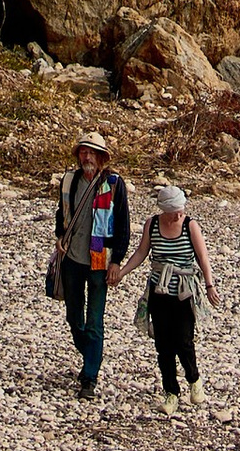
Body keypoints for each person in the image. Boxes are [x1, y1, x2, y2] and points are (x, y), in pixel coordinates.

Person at [118, 172, 216, 416]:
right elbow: (141, 253)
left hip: (183, 292)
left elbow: (203, 258)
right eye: (175, 211)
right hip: (158, 290)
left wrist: (210, 285)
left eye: (181, 209)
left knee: (184, 340)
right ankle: (170, 392)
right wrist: (122, 272)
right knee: (163, 345)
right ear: (165, 210)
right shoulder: (152, 224)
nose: (179, 214)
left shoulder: (190, 225)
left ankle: (194, 380)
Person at [50, 127, 130, 400]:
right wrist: (60, 235)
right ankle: (92, 354)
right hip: (72, 257)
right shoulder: (69, 180)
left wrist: (116, 261)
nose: (86, 157)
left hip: (99, 260)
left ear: (101, 157)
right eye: (83, 152)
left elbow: (123, 226)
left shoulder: (114, 185)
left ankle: (89, 376)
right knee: (74, 317)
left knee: (94, 321)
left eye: (91, 153)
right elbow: (62, 212)